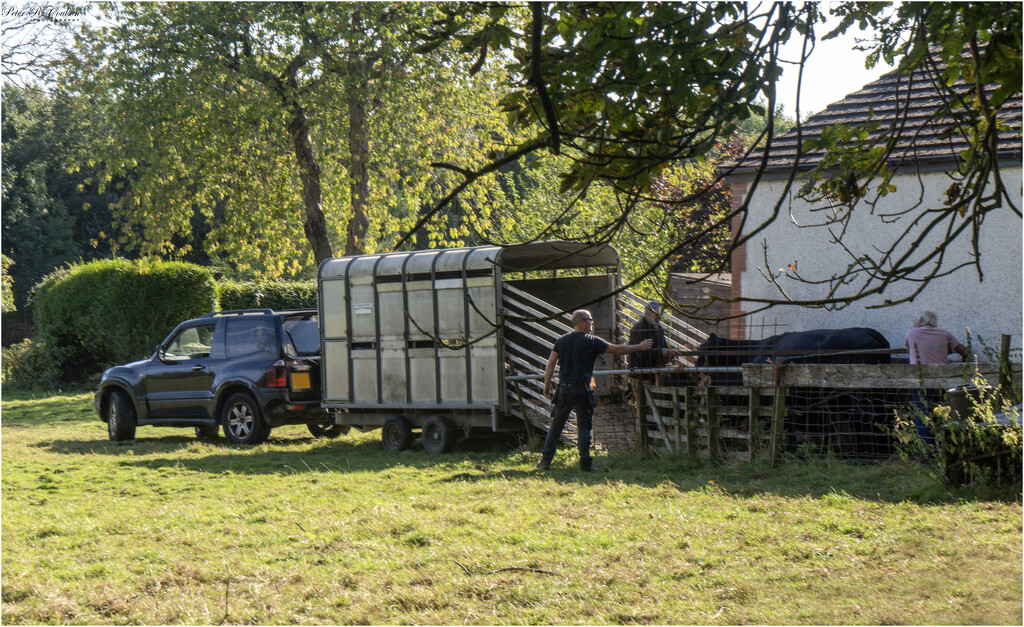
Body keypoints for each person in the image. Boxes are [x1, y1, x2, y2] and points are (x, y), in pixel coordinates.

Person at [539, 309, 653, 471]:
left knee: (556, 426)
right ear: (582, 322)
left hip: (564, 391)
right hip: (582, 392)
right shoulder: (591, 341)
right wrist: (640, 347)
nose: (592, 324)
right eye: (590, 321)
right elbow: (617, 349)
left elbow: (551, 363)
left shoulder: (562, 341)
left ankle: (545, 461)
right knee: (584, 428)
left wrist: (547, 384)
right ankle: (585, 465)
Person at [905, 311, 969, 444]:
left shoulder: (911, 333)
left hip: (919, 380)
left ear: (921, 321)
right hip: (940, 380)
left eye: (915, 320)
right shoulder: (944, 333)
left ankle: (927, 450)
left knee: (922, 413)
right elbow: (963, 351)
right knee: (941, 411)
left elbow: (908, 351)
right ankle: (943, 446)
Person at [628, 300, 678, 384]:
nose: (659, 316)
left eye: (659, 313)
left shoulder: (658, 328)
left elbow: (663, 347)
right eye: (656, 313)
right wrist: (664, 352)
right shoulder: (638, 329)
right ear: (647, 313)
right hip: (641, 375)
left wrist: (669, 353)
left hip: (655, 374)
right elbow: (641, 353)